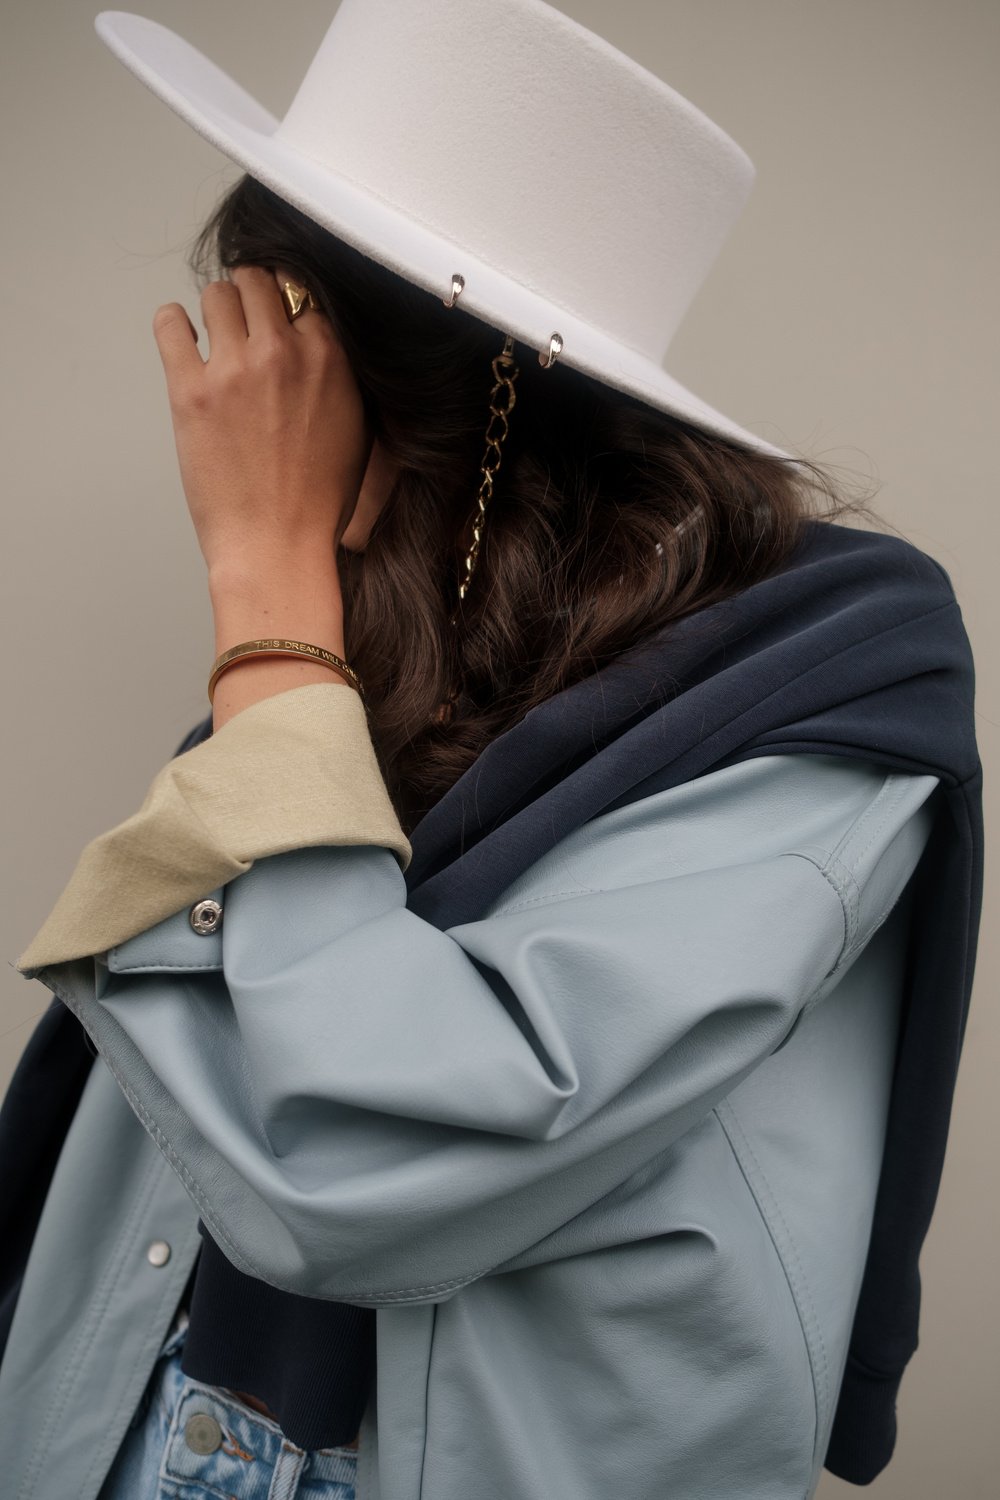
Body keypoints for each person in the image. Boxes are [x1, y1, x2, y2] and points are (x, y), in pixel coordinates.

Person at [0, 2, 983, 1499]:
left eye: (286, 365)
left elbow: (364, 1163)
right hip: (121, 1419)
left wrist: (262, 584)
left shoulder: (820, 682)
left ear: (457, 406)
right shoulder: (372, 652)